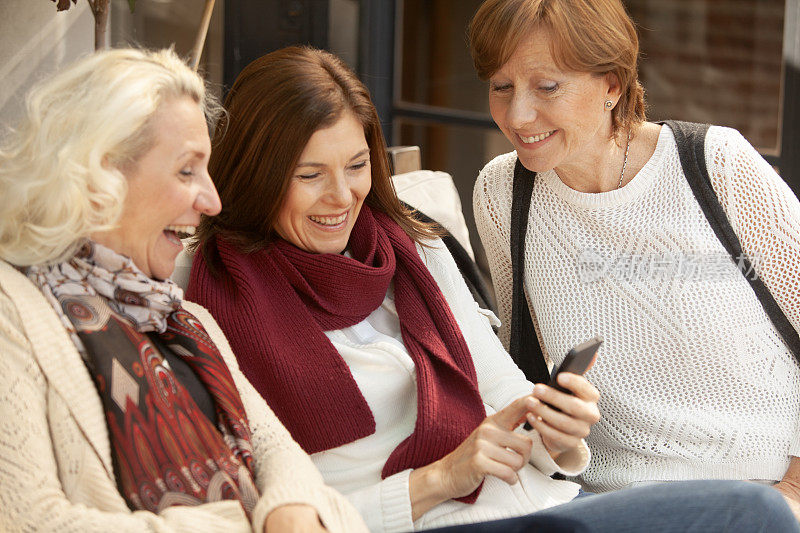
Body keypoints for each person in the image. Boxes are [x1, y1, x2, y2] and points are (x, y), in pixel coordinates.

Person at [185, 45, 798, 532]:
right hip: (433, 520)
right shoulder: (210, 292)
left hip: (545, 506)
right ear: (260, 173)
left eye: (356, 167)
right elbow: (272, 513)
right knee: (755, 517)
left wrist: (554, 432)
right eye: (310, 175)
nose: (342, 198)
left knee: (755, 514)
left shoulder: (410, 250)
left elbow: (506, 398)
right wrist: (435, 482)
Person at [0, 48, 367, 532]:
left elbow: (278, 452)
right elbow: (27, 521)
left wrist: (290, 511)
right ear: (98, 175)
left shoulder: (184, 318)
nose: (212, 200)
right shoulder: (14, 312)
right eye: (186, 170)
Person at [468, 0, 800, 518]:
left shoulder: (715, 166)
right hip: (605, 505)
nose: (517, 116)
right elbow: (523, 369)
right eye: (501, 86)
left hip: (762, 496)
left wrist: (795, 492)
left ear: (613, 85)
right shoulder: (503, 193)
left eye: (547, 87)